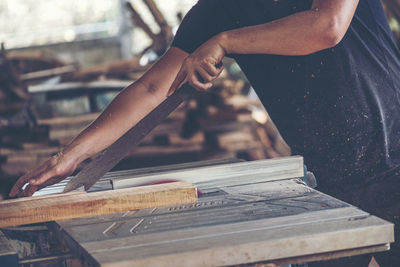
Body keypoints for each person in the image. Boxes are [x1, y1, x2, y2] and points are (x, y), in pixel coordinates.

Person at [10, 0, 400, 265]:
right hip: (332, 184)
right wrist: (71, 157)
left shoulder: (224, 29)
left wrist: (226, 42)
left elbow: (326, 27)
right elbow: (152, 89)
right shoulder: (219, 9)